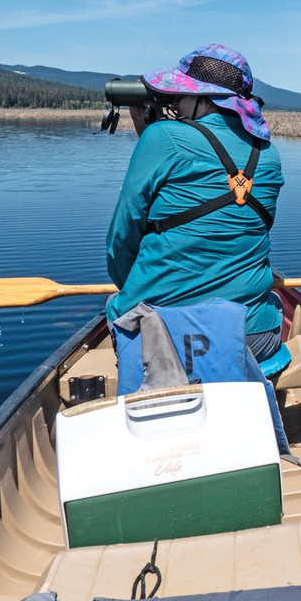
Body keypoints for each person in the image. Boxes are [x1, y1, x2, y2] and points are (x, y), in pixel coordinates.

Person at [105, 43, 284, 363]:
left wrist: (130, 287)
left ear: (205, 97)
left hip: (164, 335)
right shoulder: (268, 154)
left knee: (121, 308)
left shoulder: (162, 138)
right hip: (255, 335)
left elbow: (121, 240)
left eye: (181, 94)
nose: (174, 100)